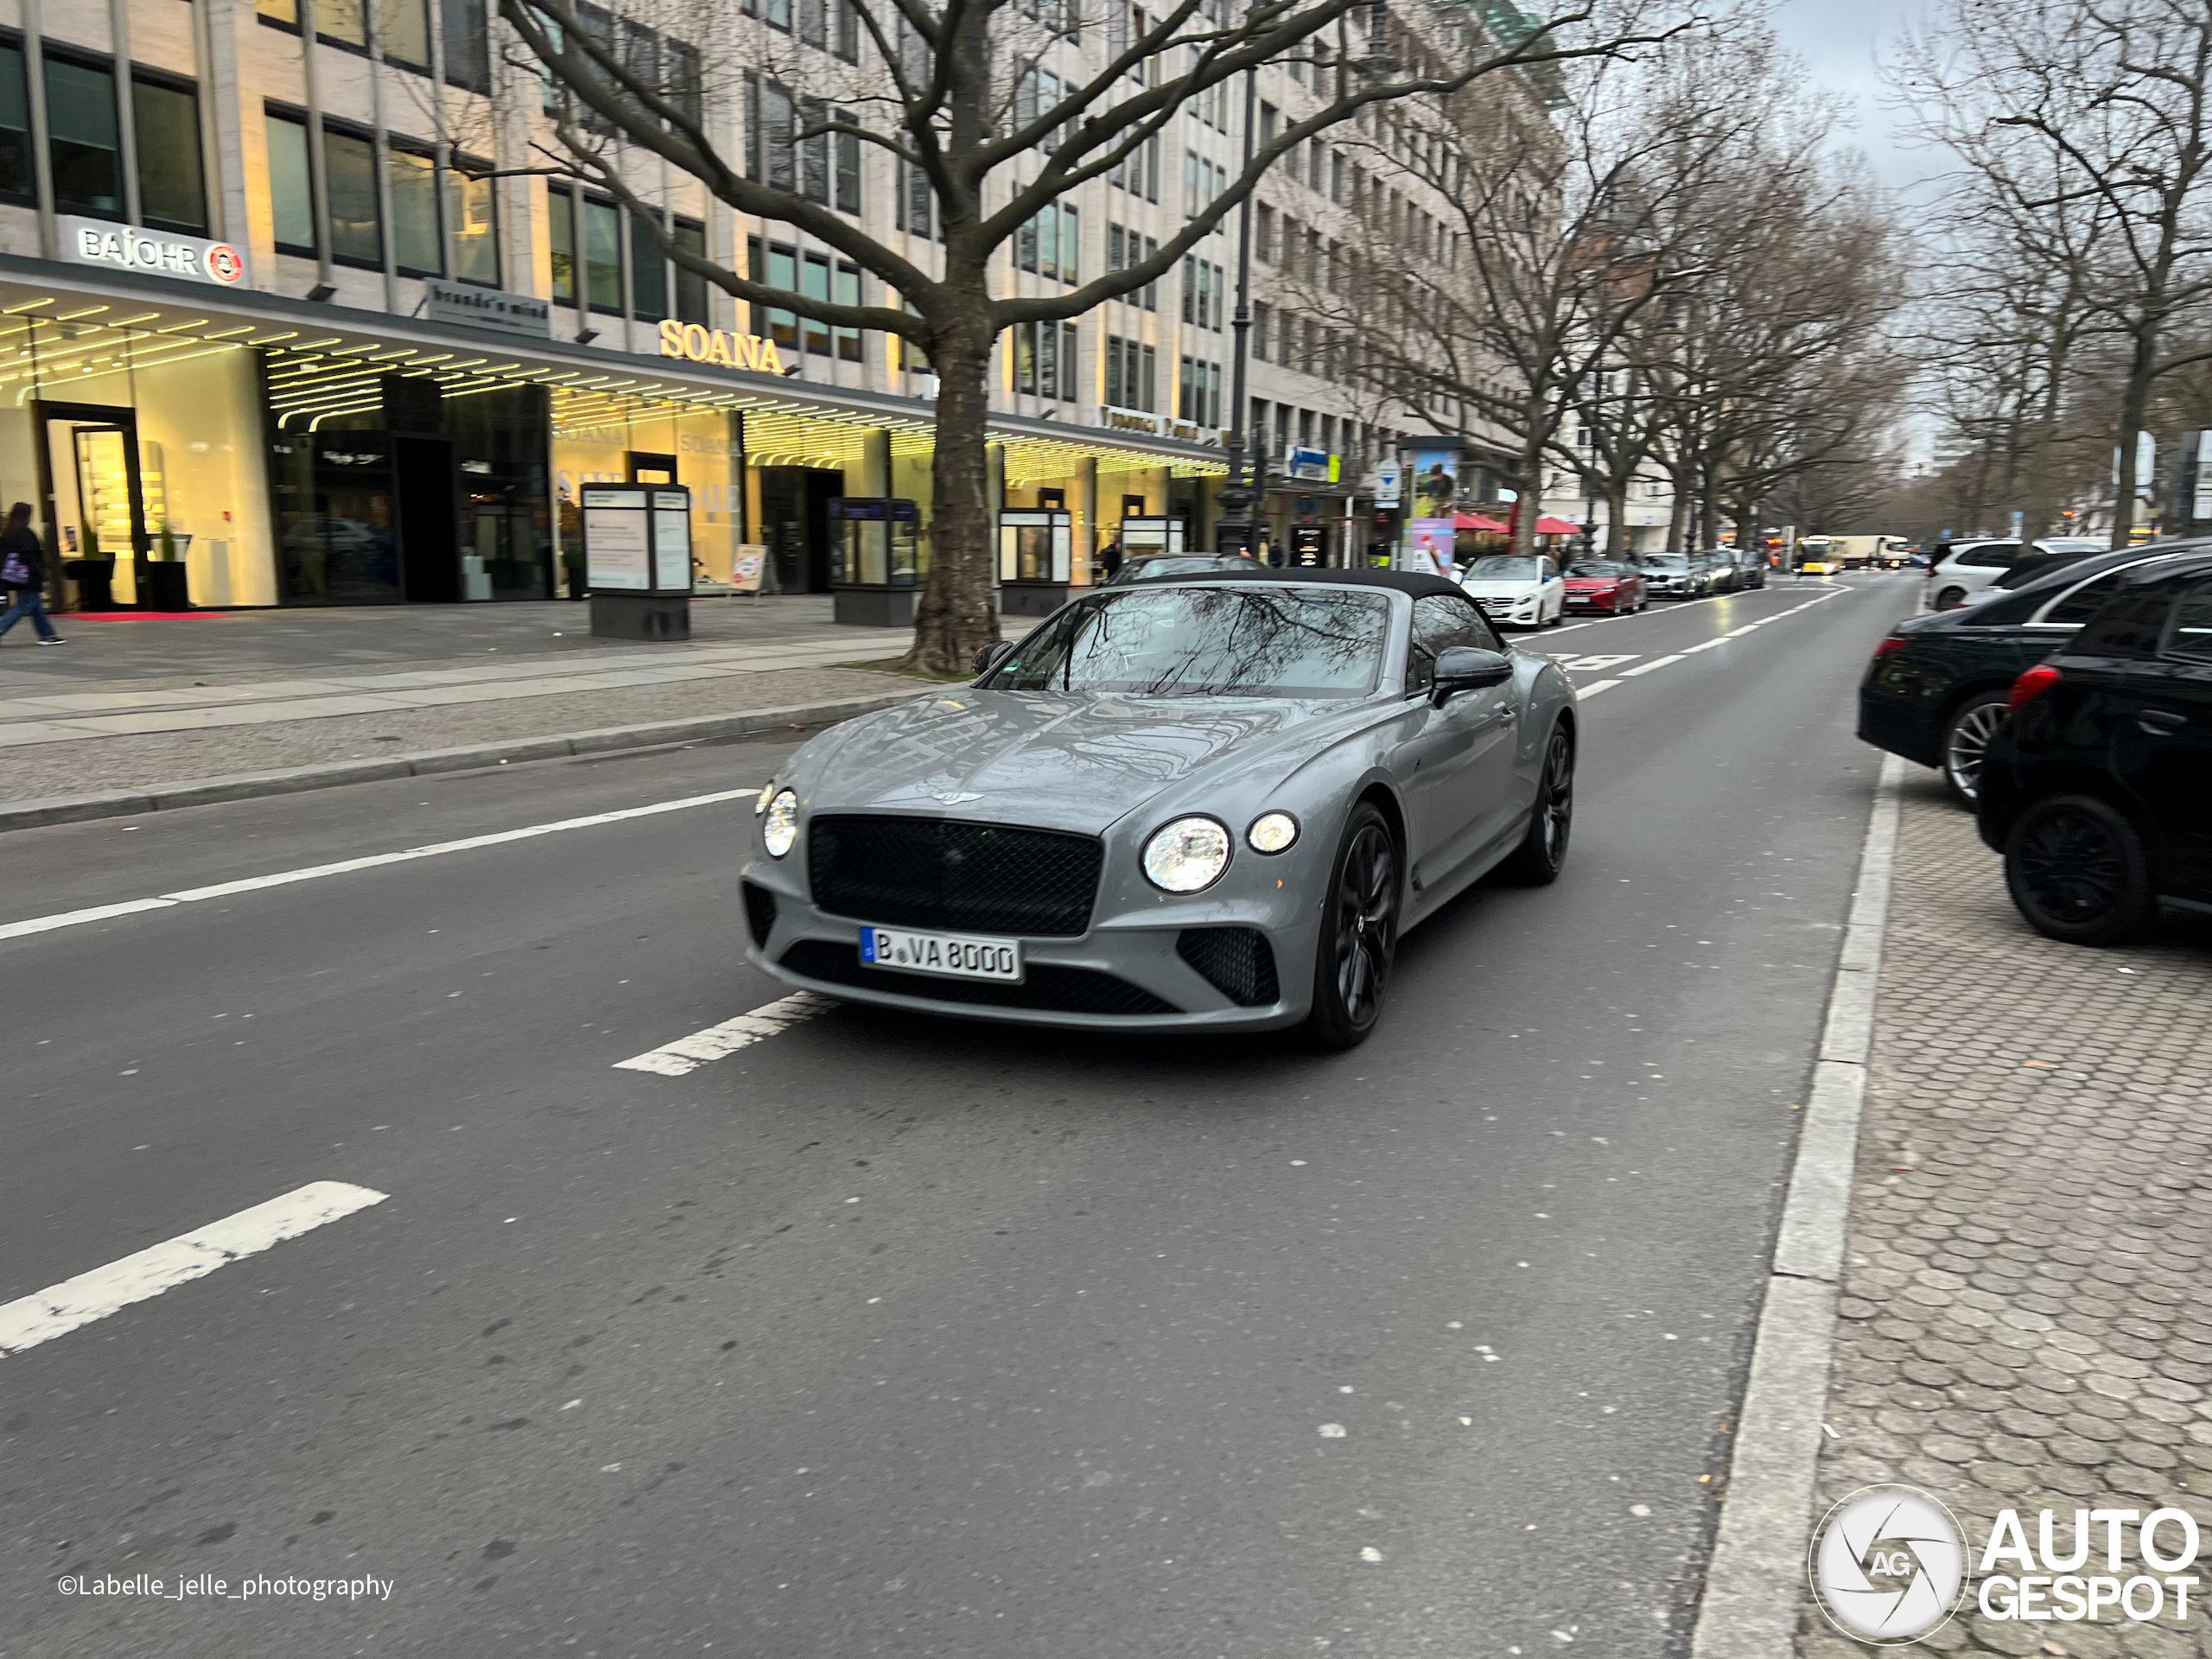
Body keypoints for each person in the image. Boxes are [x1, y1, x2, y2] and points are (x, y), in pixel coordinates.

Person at [0, 503, 60, 645]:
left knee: (35, 606)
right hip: (28, 576)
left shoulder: (8, 533)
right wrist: (39, 573)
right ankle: (2, 627)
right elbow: (31, 556)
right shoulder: (25, 533)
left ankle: (47, 634)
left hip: (15, 575)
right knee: (25, 605)